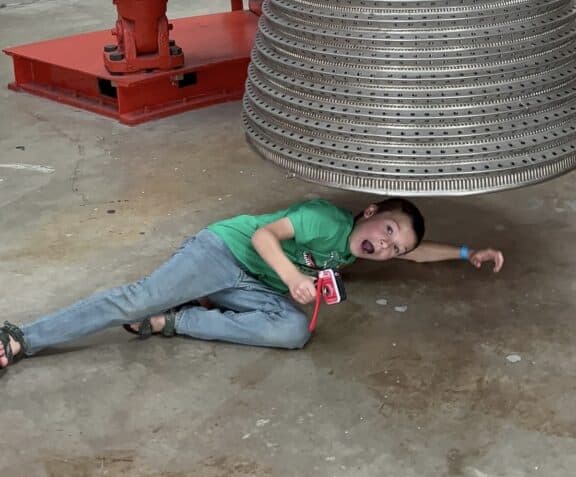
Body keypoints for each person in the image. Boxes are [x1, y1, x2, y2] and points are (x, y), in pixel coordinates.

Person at [0, 197, 503, 374]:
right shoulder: (321, 219)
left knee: (293, 331)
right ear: (370, 214)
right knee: (139, 294)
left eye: (395, 248)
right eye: (387, 231)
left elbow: (419, 253)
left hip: (251, 283)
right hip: (223, 252)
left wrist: (466, 253)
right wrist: (292, 276)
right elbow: (265, 236)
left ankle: (172, 321)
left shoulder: (358, 249)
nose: (388, 247)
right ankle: (23, 336)